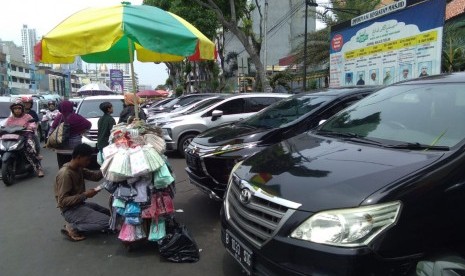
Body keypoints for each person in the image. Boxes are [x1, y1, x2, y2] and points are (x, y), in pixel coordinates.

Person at [54, 143, 110, 241]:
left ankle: (82, 223)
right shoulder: (65, 174)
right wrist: (85, 195)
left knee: (109, 213)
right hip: (70, 210)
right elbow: (62, 201)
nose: (88, 162)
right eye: (87, 159)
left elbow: (95, 177)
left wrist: (108, 165)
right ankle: (73, 228)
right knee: (108, 222)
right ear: (79, 157)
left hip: (80, 205)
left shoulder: (78, 168)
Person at [4, 100, 44, 177]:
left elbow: (33, 124)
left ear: (22, 109)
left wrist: (29, 127)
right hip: (13, 137)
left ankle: (39, 169)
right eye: (15, 109)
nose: (17, 110)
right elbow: (5, 126)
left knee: (30, 148)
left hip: (25, 136)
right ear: (12, 110)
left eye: (19, 108)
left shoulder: (27, 116)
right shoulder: (10, 119)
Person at [50, 100, 92, 168]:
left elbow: (51, 131)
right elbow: (89, 125)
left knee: (62, 168)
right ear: (71, 107)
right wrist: (81, 132)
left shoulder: (59, 118)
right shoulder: (77, 117)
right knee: (76, 168)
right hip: (74, 149)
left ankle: (64, 178)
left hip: (60, 148)